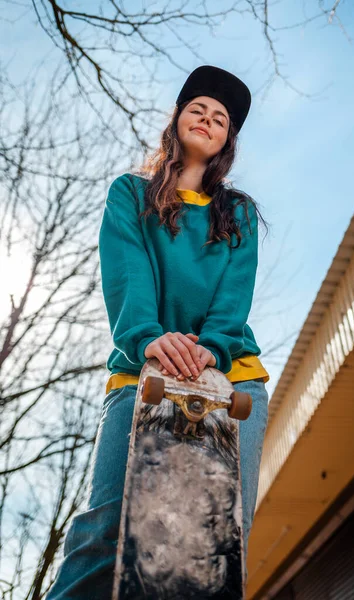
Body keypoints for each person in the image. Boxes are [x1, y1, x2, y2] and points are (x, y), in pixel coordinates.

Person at [47, 64, 270, 599]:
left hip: (230, 381)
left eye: (221, 118)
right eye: (198, 108)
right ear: (176, 120)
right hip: (142, 374)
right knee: (106, 527)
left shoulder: (237, 211)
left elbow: (234, 294)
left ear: (227, 140)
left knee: (213, 541)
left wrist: (210, 349)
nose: (208, 119)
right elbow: (126, 270)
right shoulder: (130, 194)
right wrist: (149, 337)